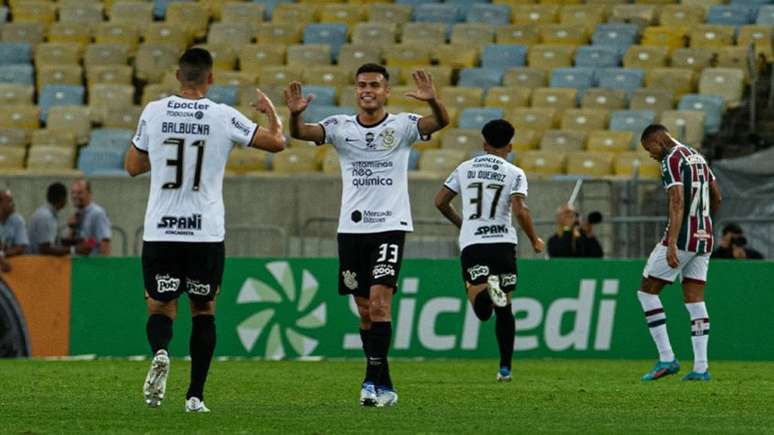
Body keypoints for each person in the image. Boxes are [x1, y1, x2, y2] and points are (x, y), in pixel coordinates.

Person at [124, 48, 285, 413]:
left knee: (159, 306)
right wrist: (272, 112)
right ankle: (195, 396)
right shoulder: (223, 116)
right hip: (205, 232)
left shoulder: (155, 110)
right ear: (210, 78)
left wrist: (163, 151)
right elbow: (277, 142)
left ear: (178, 75)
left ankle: (162, 351)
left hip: (162, 229)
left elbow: (132, 166)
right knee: (204, 309)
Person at [285, 63, 449, 407]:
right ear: (356, 90)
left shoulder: (401, 126)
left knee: (379, 303)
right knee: (363, 310)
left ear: (386, 90)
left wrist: (434, 102)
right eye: (362, 85)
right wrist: (295, 117)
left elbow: (440, 123)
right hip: (351, 230)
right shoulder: (340, 127)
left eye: (374, 85)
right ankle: (384, 382)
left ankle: (369, 383)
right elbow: (301, 134)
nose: (367, 90)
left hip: (390, 226)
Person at [434, 119, 544, 382]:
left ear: (484, 144)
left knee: (483, 312)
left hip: (475, 245)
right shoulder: (514, 172)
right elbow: (520, 209)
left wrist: (463, 223)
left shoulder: (464, 168)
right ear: (511, 145)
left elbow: (440, 201)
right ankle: (505, 368)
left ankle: (486, 290)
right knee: (504, 307)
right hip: (504, 245)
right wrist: (534, 239)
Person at [637, 124, 721, 382]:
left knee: (646, 292)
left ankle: (666, 358)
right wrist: (704, 223)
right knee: (695, 301)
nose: (650, 154)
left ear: (658, 140)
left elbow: (677, 200)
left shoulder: (671, 159)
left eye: (649, 148)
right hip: (705, 238)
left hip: (682, 238)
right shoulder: (697, 156)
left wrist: (672, 242)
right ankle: (700, 368)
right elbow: (717, 196)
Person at [64, 179, 112, 256]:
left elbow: (104, 241)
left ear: (89, 194)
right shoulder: (76, 214)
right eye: (73, 193)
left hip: (93, 264)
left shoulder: (97, 213)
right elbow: (71, 244)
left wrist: (104, 266)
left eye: (80, 193)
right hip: (78, 263)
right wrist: (71, 228)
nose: (75, 196)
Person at [28, 182, 69, 256]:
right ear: (62, 199)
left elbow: (52, 240)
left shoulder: (46, 213)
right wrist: (73, 249)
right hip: (39, 264)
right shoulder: (46, 217)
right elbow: (45, 249)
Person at [0, 190, 29, 272]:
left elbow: (21, 248)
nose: (13, 204)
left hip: (14, 266)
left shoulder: (17, 220)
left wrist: (4, 253)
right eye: (9, 201)